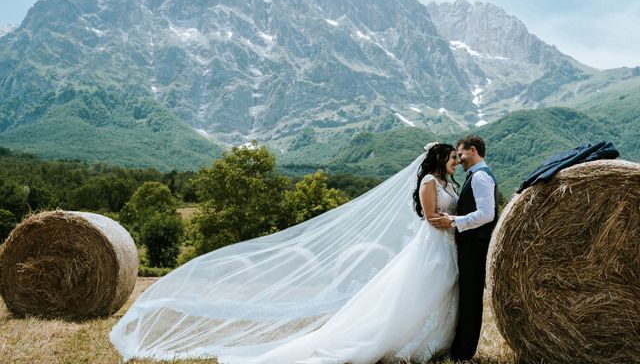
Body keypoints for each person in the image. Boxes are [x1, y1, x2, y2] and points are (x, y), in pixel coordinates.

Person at [111, 144, 462, 363]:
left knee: (436, 294)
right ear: (438, 159)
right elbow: (431, 218)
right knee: (418, 292)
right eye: (451, 158)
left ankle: (430, 340)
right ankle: (399, 341)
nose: (455, 163)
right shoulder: (429, 183)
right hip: (432, 245)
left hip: (445, 247)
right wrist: (460, 223)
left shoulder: (447, 183)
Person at [429, 135, 500, 362]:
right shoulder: (477, 176)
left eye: (460, 154)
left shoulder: (480, 177)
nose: (459, 160)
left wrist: (454, 221)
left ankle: (463, 352)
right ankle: (460, 347)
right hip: (471, 243)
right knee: (467, 297)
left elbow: (487, 214)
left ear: (472, 150)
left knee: (470, 298)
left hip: (475, 245)